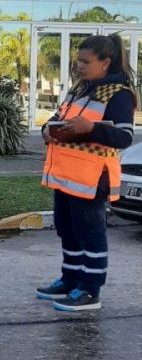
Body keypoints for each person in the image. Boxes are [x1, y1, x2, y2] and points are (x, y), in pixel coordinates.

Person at [38, 33, 136, 312]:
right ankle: (70, 280)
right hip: (67, 176)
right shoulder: (80, 89)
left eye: (85, 61)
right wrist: (49, 128)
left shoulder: (119, 95)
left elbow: (124, 137)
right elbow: (59, 117)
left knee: (90, 233)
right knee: (68, 230)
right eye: (78, 61)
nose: (79, 66)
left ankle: (90, 291)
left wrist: (90, 129)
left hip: (92, 179)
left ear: (105, 63)